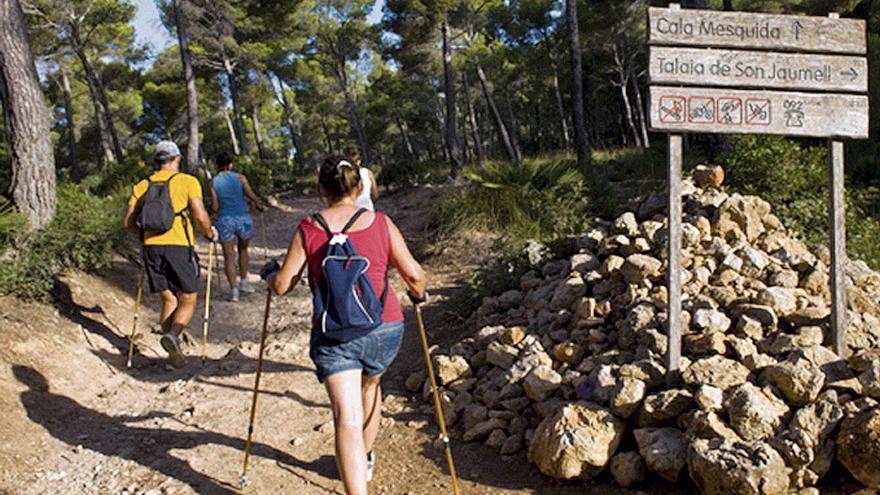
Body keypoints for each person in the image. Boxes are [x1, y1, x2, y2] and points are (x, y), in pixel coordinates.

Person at [263, 155, 426, 495]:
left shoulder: (309, 227)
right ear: (359, 185)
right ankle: (364, 457)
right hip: (383, 326)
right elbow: (413, 274)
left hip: (333, 331)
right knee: (371, 386)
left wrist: (270, 275)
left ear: (322, 190)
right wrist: (419, 295)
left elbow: (282, 286)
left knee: (345, 418)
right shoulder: (381, 222)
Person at [123, 140, 218, 369]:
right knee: (189, 298)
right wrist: (209, 232)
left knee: (168, 298)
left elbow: (128, 223)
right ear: (177, 159)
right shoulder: (187, 181)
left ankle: (171, 354)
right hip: (178, 246)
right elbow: (199, 214)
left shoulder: (142, 185)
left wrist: (144, 236)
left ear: (156, 161)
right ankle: (174, 336)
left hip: (151, 248)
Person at [209, 151, 265, 302]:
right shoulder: (241, 178)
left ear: (217, 166)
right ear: (230, 164)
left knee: (229, 256)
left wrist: (211, 214)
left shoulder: (213, 182)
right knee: (243, 249)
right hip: (243, 218)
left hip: (225, 220)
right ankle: (244, 282)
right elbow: (251, 195)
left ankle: (234, 290)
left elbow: (215, 207)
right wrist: (259, 205)